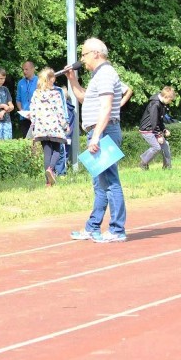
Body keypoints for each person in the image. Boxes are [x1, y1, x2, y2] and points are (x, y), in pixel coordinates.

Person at [65, 37, 127, 243]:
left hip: (104, 131)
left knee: (110, 182)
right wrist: (72, 79)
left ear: (96, 54)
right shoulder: (97, 76)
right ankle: (93, 227)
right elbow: (84, 98)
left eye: (83, 54)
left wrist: (98, 136)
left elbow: (107, 107)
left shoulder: (107, 74)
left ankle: (117, 230)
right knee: (99, 184)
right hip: (98, 131)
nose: (82, 59)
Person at [29, 68, 70, 186]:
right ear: (51, 79)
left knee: (47, 152)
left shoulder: (36, 93)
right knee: (57, 149)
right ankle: (51, 169)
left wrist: (34, 125)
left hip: (41, 128)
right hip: (54, 127)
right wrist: (65, 125)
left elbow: (33, 111)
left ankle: (48, 182)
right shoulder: (56, 93)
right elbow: (60, 111)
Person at [139, 86, 177, 170]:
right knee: (156, 147)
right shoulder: (155, 104)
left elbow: (159, 119)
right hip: (147, 130)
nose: (170, 102)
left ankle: (167, 167)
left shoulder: (161, 104)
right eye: (170, 100)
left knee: (165, 144)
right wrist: (159, 135)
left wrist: (164, 129)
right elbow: (153, 121)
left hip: (153, 128)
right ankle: (143, 163)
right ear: (166, 97)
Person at [16, 60, 38, 138]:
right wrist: (21, 110)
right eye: (23, 69)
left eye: (26, 69)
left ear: (33, 69)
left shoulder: (39, 81)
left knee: (37, 141)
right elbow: (18, 99)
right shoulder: (20, 83)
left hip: (37, 117)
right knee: (26, 140)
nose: (24, 71)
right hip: (24, 117)